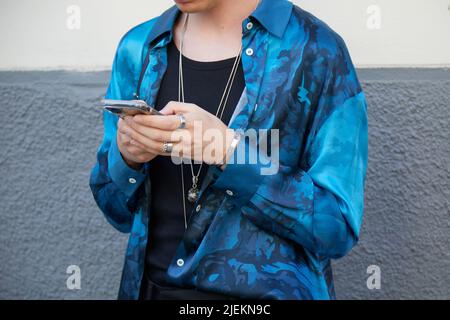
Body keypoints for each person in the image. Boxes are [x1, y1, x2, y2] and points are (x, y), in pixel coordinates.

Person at [89, 0, 368, 300]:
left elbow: (337, 228)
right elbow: (115, 211)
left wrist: (232, 155)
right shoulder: (139, 48)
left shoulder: (317, 52)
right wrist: (127, 159)